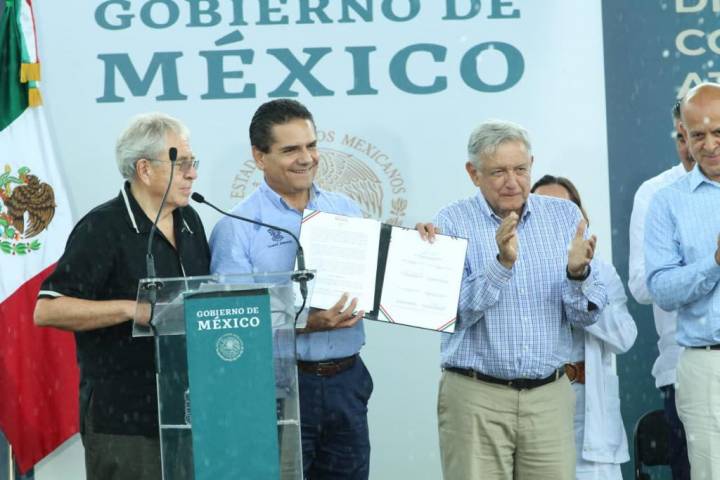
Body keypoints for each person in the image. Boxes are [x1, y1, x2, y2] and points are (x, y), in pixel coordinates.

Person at [417, 120, 607, 480]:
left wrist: (577, 275)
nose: (512, 181)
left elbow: (587, 316)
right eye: (498, 172)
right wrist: (500, 265)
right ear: (473, 173)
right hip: (475, 397)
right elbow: (452, 313)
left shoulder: (564, 217)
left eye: (520, 169)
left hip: (549, 397)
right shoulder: (451, 221)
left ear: (531, 165)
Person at [33, 113, 209, 480]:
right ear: (144, 169)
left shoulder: (190, 220)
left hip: (189, 409)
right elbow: (48, 310)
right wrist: (132, 309)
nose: (192, 173)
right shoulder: (103, 227)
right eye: (182, 164)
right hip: (124, 420)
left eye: (193, 162)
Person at [209, 99, 372, 479]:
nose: (306, 158)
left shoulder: (347, 210)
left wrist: (423, 250)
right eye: (290, 150)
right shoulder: (237, 226)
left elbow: (376, 281)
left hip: (347, 380)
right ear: (259, 156)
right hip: (276, 387)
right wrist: (304, 323)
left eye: (311, 146)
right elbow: (233, 322)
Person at [532, 174, 637, 480]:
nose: (554, 216)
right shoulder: (517, 270)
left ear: (580, 217)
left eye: (564, 208)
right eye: (543, 208)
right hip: (536, 408)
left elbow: (625, 337)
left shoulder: (601, 270)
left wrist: (580, 283)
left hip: (591, 417)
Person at [646, 82, 720, 477]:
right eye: (697, 135)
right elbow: (661, 289)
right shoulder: (667, 201)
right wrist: (715, 263)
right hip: (707, 366)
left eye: (718, 132)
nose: (709, 145)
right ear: (683, 136)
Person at [628, 100, 694, 480]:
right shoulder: (655, 194)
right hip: (684, 369)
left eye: (712, 134)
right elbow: (641, 284)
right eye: (685, 136)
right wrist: (704, 266)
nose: (695, 147)